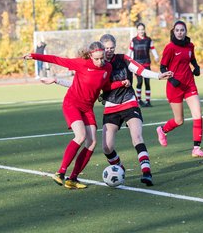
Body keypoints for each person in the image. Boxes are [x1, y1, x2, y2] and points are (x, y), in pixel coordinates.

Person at [23, 41, 122, 189]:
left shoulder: (107, 67)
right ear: (90, 55)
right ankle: (60, 173)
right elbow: (56, 59)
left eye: (102, 58)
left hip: (88, 108)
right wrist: (34, 56)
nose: (100, 61)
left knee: (92, 142)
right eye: (97, 58)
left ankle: (73, 178)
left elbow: (105, 86)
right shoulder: (81, 63)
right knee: (80, 136)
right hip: (72, 104)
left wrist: (122, 83)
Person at [100, 34, 172, 186]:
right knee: (107, 147)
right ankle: (119, 167)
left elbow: (141, 71)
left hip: (129, 102)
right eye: (106, 48)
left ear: (115, 47)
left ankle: (147, 172)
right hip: (111, 106)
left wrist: (158, 76)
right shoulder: (97, 64)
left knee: (137, 137)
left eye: (112, 47)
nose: (109, 51)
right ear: (101, 48)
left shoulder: (123, 59)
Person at [156, 20, 203, 158]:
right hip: (174, 87)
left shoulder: (190, 46)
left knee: (198, 114)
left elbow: (193, 60)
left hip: (189, 84)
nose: (180, 32)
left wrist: (196, 68)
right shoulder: (170, 47)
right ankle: (162, 130)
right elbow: (162, 67)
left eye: (182, 30)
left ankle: (196, 148)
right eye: (177, 30)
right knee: (179, 120)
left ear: (185, 32)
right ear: (174, 31)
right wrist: (172, 80)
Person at [127, 23, 159, 107]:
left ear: (144, 30)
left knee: (147, 82)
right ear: (137, 30)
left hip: (147, 63)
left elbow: (153, 49)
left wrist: (156, 56)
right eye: (139, 29)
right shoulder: (133, 40)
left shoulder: (148, 40)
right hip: (137, 65)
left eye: (142, 29)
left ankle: (148, 101)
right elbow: (129, 52)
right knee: (139, 82)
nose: (141, 31)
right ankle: (139, 100)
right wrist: (126, 60)